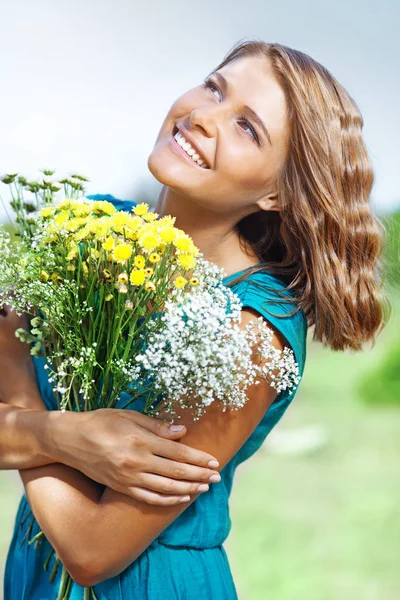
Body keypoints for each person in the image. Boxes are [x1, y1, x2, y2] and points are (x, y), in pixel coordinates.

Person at [0, 40, 388, 599]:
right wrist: (61, 435)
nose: (204, 117)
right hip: (32, 569)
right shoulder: (88, 232)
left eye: (247, 128)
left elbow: (91, 550)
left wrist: (13, 369)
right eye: (213, 87)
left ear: (278, 194)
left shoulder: (252, 330)